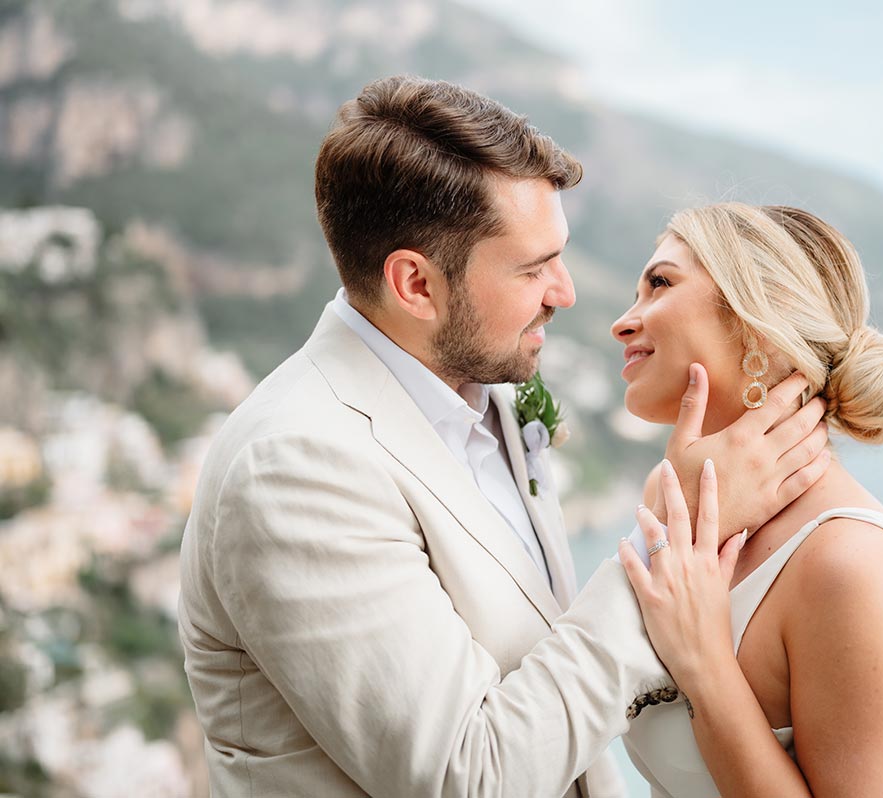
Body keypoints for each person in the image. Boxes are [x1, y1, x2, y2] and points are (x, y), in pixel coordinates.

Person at [177, 77, 832, 798]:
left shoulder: (487, 387)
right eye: (532, 268)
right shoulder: (295, 466)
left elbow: (549, 683)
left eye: (559, 254)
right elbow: (472, 775)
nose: (567, 291)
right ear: (416, 285)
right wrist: (674, 545)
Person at [614, 203, 883, 797]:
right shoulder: (669, 495)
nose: (624, 322)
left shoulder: (851, 565)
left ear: (756, 321)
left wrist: (705, 664)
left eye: (659, 283)